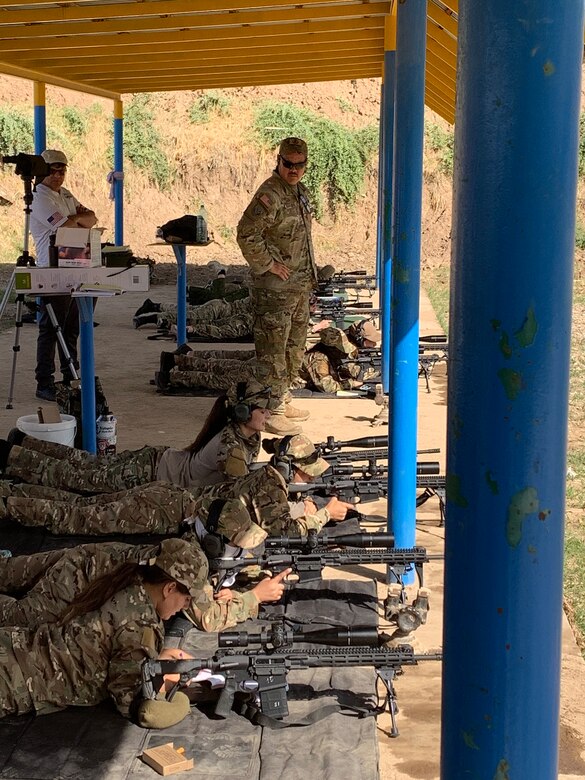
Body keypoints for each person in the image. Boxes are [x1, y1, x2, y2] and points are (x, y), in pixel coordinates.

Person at [0, 538, 206, 727]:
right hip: (13, 679)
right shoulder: (140, 623)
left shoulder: (130, 583)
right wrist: (179, 692)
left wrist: (158, 659)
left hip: (16, 648)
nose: (185, 607)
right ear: (169, 588)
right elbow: (143, 710)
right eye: (187, 600)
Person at [0, 500, 290, 635]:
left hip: (88, 559)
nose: (241, 552)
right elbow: (209, 620)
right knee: (13, 617)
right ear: (213, 542)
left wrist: (251, 579)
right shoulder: (190, 563)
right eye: (234, 545)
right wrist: (255, 597)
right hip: (75, 582)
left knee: (8, 570)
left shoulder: (189, 548)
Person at [0, 380, 273, 494]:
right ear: (242, 411)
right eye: (262, 409)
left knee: (84, 463)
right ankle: (10, 455)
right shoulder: (231, 445)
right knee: (77, 476)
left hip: (156, 463)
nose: (268, 414)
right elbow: (237, 490)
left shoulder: (245, 436)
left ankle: (22, 444)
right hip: (149, 473)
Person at [237, 136, 318, 435]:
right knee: (272, 354)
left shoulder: (298, 192)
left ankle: (282, 399)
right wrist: (268, 265)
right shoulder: (270, 194)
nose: (294, 170)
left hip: (297, 287)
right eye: (288, 164)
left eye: (299, 165)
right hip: (274, 290)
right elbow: (246, 233)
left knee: (293, 350)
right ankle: (269, 411)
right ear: (279, 161)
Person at [29, 150, 98, 402]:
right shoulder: (39, 198)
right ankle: (44, 381)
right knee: (50, 328)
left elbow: (91, 218)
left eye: (62, 170)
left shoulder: (65, 194)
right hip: (52, 269)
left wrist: (75, 218)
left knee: (70, 327)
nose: (58, 175)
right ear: (42, 172)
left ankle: (70, 373)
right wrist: (75, 219)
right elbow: (62, 226)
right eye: (53, 171)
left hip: (74, 265)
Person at [156, 318, 380, 395]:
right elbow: (327, 386)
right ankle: (173, 376)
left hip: (274, 362)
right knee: (221, 376)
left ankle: (177, 362)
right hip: (272, 374)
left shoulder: (324, 350)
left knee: (226, 364)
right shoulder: (318, 359)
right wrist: (354, 382)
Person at [297, 319, 382, 393]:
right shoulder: (318, 358)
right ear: (333, 347)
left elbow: (352, 370)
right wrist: (351, 384)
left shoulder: (335, 353)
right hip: (299, 386)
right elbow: (327, 387)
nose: (374, 344)